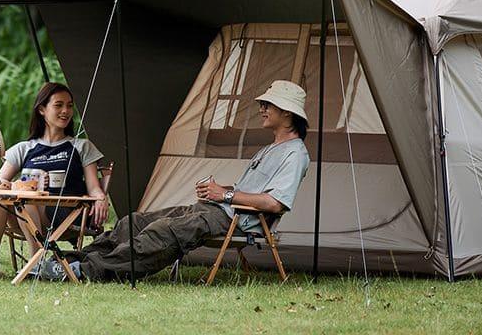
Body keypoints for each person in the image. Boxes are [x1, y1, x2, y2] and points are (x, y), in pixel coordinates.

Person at [40, 79, 311, 282]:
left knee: (161, 233)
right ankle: (65, 262)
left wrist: (226, 196)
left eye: (268, 105)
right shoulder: (271, 147)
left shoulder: (295, 153)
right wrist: (219, 190)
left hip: (236, 221)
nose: (262, 108)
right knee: (133, 222)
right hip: (214, 210)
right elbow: (251, 191)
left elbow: (275, 203)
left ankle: (85, 271)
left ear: (287, 112)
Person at [0, 81, 109, 279]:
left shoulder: (80, 146)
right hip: (24, 213)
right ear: (42, 110)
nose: (65, 111)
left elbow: (94, 187)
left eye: (69, 105)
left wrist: (101, 198)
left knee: (24, 199)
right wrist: (8, 185)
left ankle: (37, 261)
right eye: (58, 105)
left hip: (65, 213)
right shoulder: (24, 148)